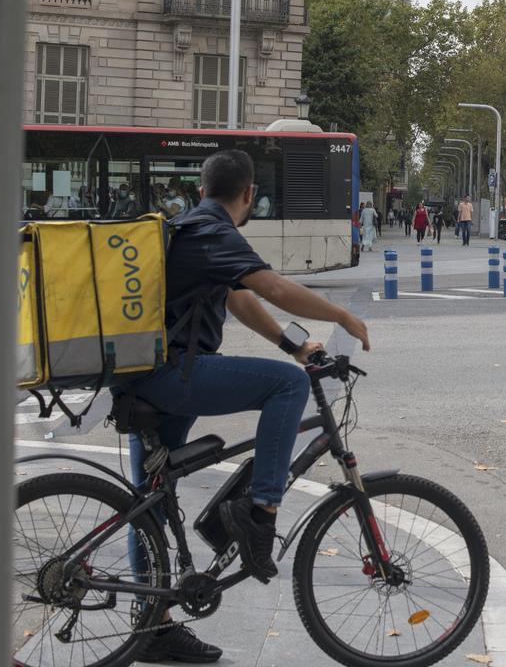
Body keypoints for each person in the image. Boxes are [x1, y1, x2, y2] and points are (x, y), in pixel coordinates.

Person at [123, 150, 369, 662]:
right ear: (249, 194)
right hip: (173, 375)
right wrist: (342, 315)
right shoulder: (215, 232)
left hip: (140, 375)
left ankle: (154, 626)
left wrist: (292, 345)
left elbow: (238, 298)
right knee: (286, 387)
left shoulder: (189, 227)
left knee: (147, 497)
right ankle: (260, 510)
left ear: (200, 190)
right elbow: (272, 287)